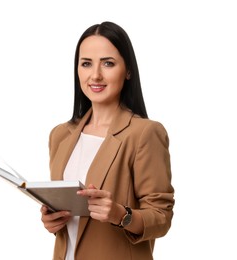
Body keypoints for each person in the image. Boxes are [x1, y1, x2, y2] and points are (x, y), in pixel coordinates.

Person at [40, 21, 175, 260]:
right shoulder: (61, 135)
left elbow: (161, 218)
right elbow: (73, 226)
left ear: (128, 70)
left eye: (108, 63)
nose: (95, 75)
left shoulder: (145, 133)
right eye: (86, 64)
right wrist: (52, 220)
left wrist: (120, 214)